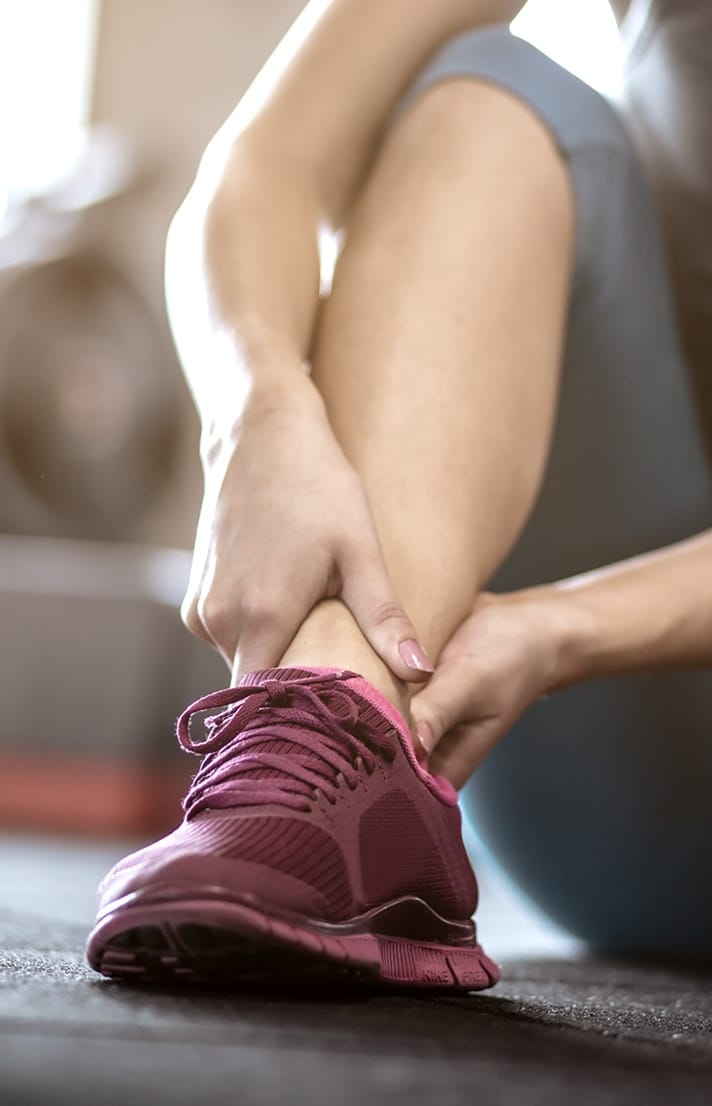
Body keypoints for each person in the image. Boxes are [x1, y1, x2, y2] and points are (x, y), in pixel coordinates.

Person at [86, 0, 711, 985]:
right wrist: (254, 412)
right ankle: (344, 737)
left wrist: (562, 627)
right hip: (602, 785)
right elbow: (269, 155)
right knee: (494, 94)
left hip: (586, 668)